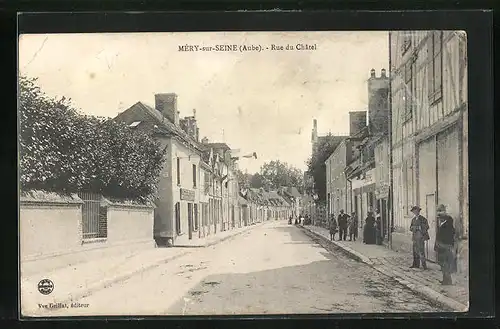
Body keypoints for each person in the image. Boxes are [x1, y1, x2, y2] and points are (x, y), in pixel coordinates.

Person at [435, 204, 456, 285]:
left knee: (445, 264)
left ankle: (448, 281)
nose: (439, 218)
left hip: (446, 246)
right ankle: (445, 280)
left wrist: (442, 244)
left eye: (440, 217)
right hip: (441, 246)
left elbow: (448, 236)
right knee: (442, 264)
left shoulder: (448, 224)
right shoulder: (442, 224)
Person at [409, 205, 430, 270]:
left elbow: (426, 227)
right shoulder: (413, 219)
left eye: (416, 211)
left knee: (421, 252)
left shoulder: (423, 219)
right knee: (415, 252)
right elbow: (411, 228)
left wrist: (419, 228)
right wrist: (415, 228)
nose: (415, 212)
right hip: (415, 237)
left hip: (420, 238)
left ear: (419, 211)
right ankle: (415, 264)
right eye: (414, 211)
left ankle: (424, 266)